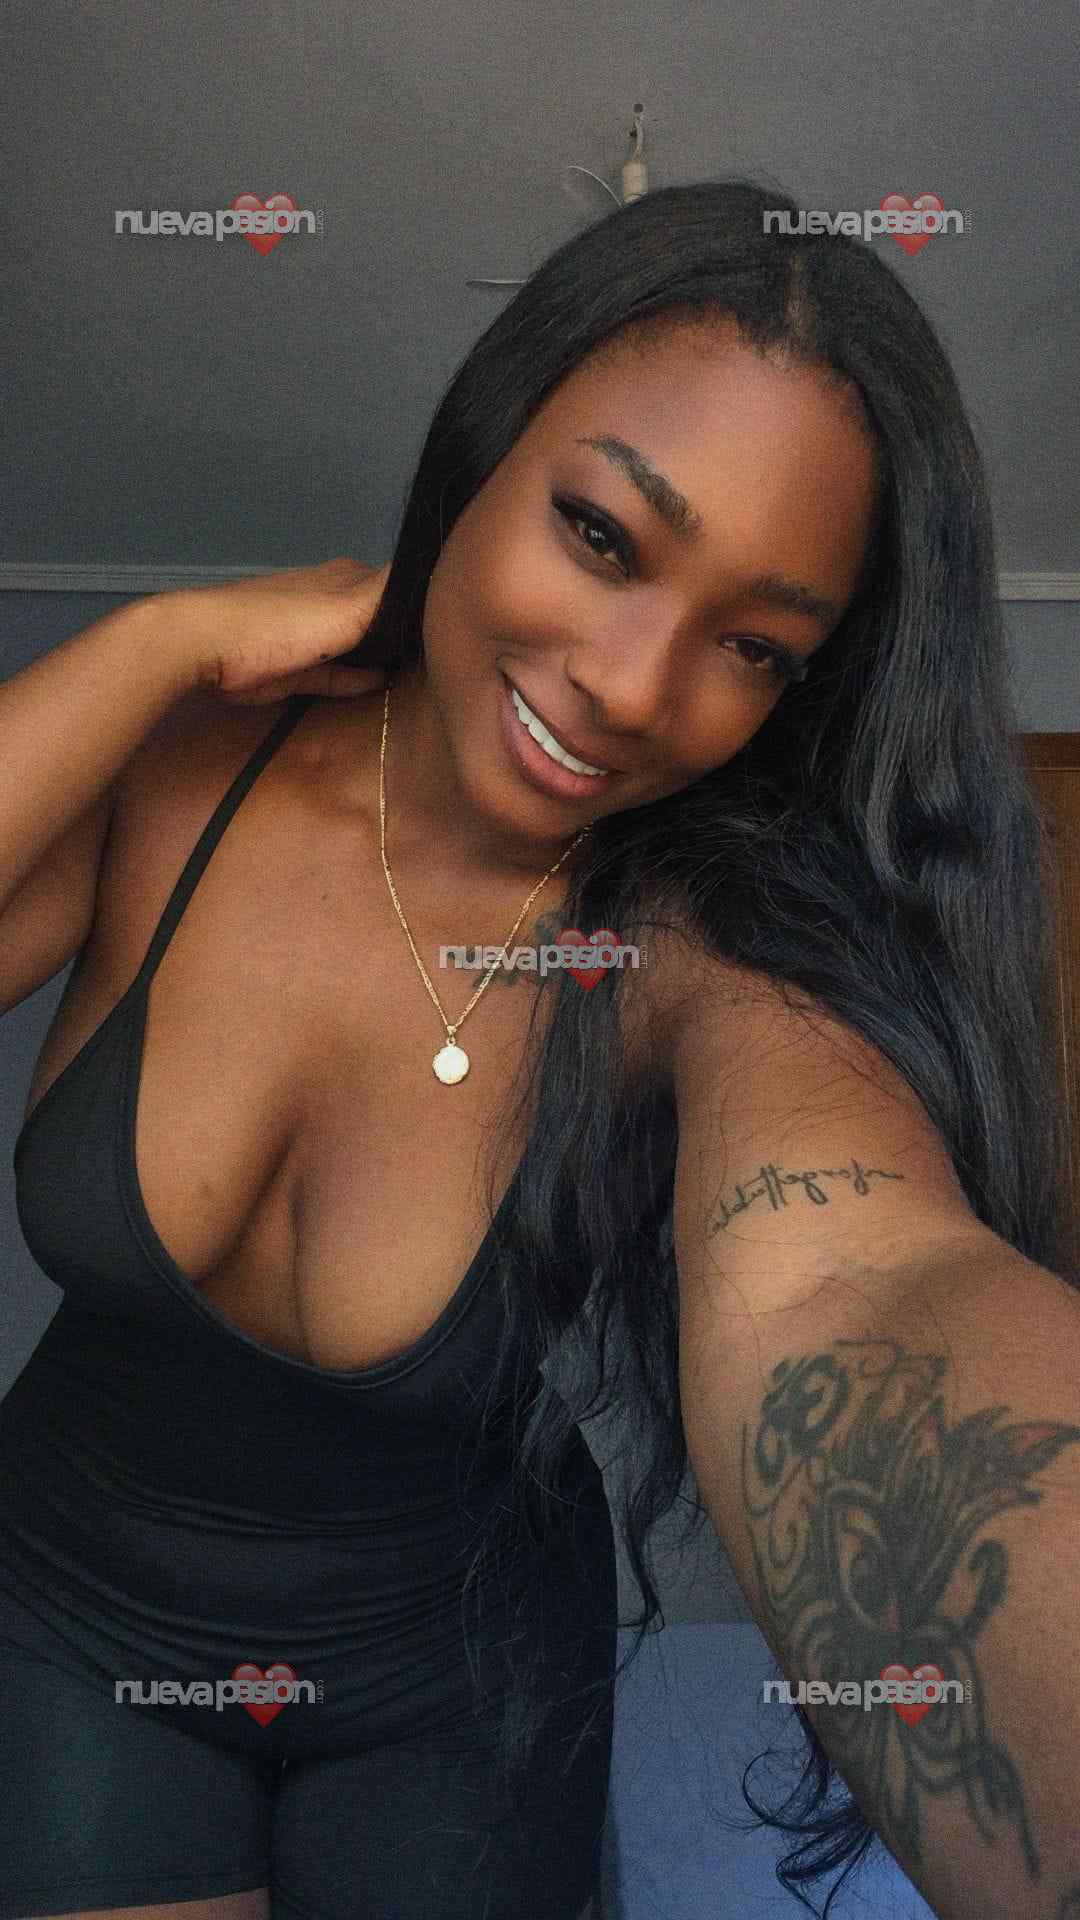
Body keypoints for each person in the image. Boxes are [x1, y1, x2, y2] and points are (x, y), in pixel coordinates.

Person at [0, 178, 1066, 1919]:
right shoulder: (179, 772)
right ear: (487, 441)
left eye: (753, 647)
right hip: (70, 1629)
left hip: (457, 1695)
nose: (635, 688)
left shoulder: (694, 956)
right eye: (602, 535)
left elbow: (858, 1277)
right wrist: (153, 640)